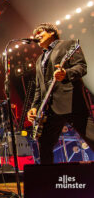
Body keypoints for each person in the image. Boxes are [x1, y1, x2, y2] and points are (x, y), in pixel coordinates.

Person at [27, 23, 94, 164]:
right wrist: (34, 106)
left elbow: (82, 67)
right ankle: (48, 180)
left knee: (91, 137)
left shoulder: (68, 45)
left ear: (51, 33)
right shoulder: (39, 60)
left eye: (40, 32)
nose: (36, 36)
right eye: (35, 35)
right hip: (49, 109)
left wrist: (66, 73)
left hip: (70, 101)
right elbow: (39, 87)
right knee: (44, 144)